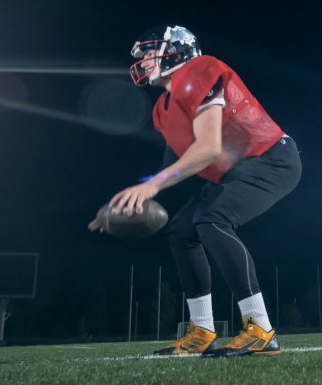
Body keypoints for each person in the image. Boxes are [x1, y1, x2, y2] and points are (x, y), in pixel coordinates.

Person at [88, 25, 301, 357]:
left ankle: (260, 329)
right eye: (141, 55)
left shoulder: (200, 70)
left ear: (179, 49)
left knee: (211, 219)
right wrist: (131, 199)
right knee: (181, 231)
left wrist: (153, 186)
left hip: (270, 159)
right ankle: (202, 331)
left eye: (149, 51)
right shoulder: (162, 109)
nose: (143, 60)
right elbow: (176, 162)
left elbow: (208, 148)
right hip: (237, 172)